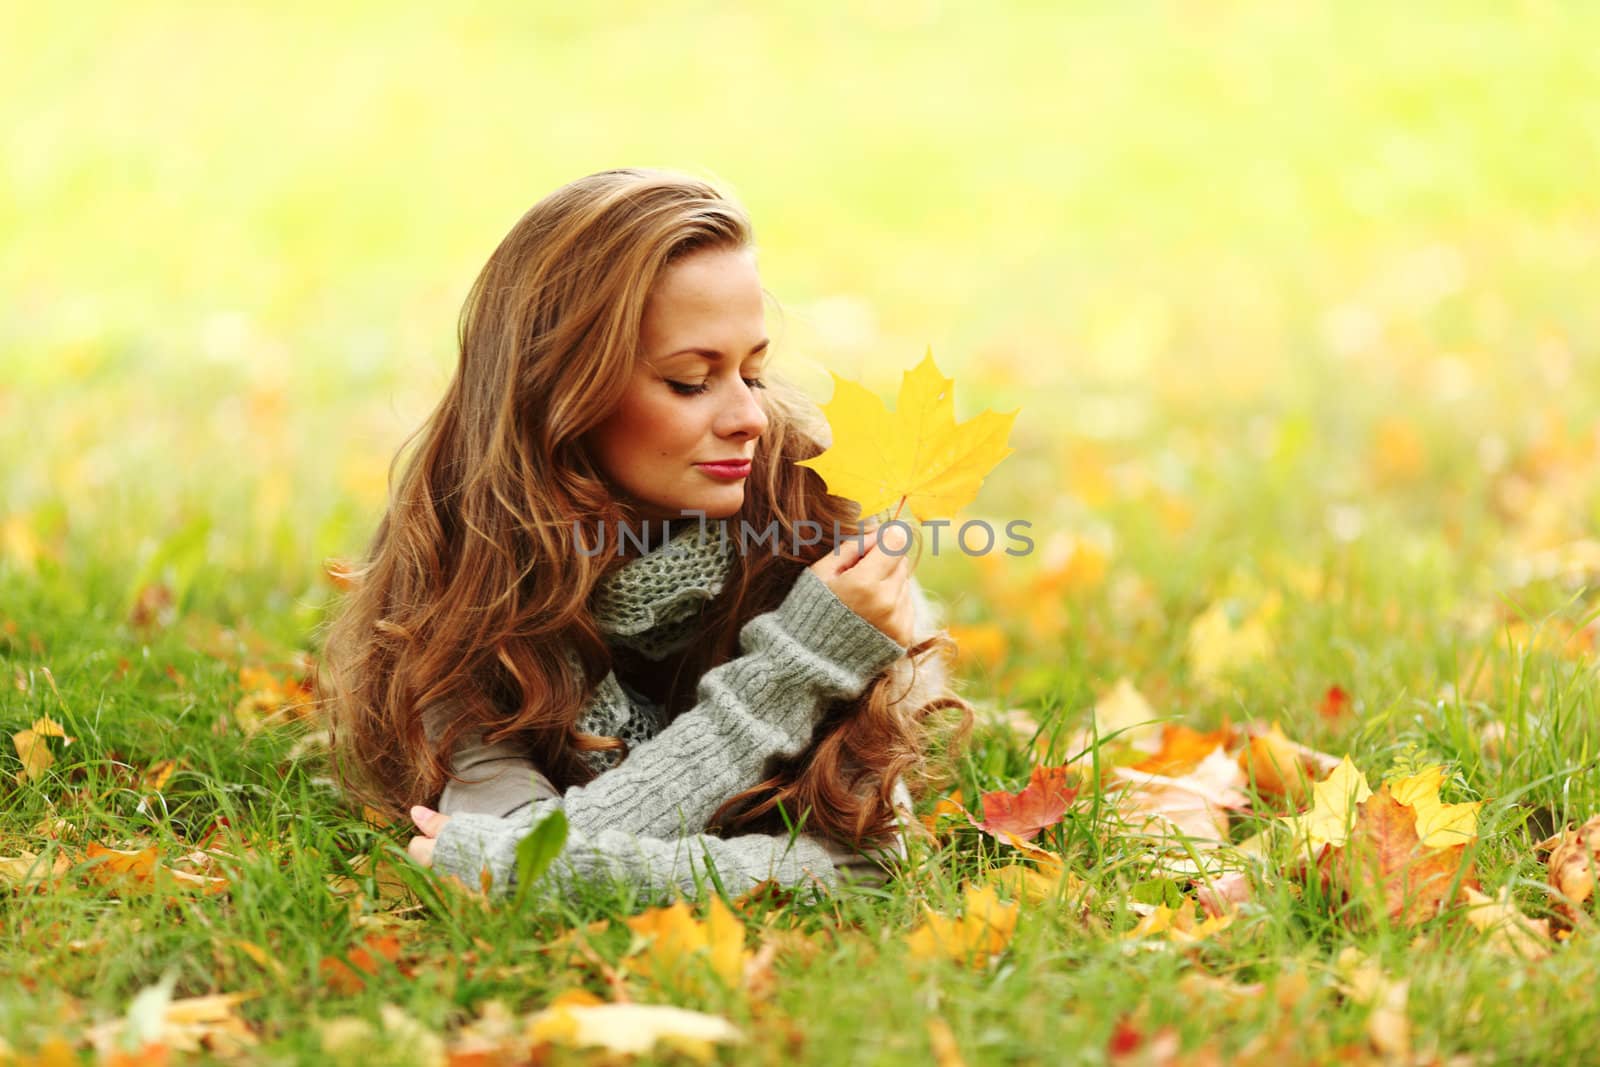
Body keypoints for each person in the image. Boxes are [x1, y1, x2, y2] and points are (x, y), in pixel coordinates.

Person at [314, 168, 971, 904]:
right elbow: (521, 839)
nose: (749, 417)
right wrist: (786, 676)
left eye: (753, 372)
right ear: (561, 391)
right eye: (692, 381)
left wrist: (808, 655)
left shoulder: (813, 523)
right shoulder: (464, 560)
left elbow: (872, 865)